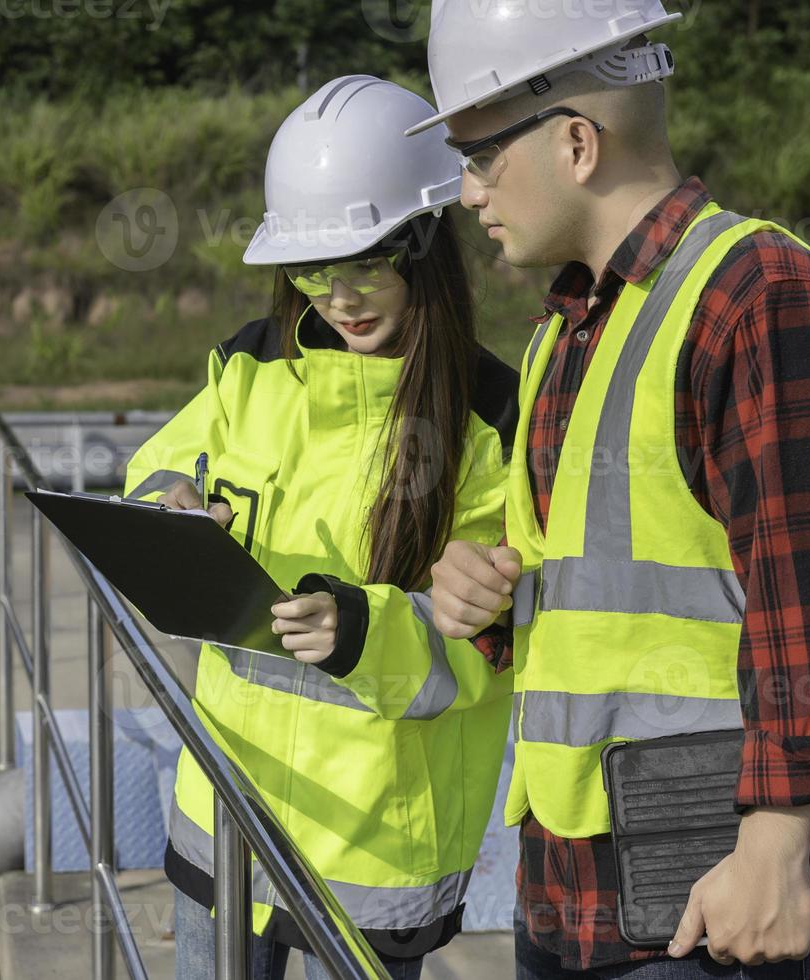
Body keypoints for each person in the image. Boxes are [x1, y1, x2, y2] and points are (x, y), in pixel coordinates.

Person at [409, 3, 810, 977]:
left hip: (708, 900)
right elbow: (601, 596)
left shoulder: (762, 296)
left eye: (479, 155)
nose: (466, 190)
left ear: (575, 142)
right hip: (572, 885)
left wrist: (776, 849)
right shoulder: (565, 333)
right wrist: (485, 597)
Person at [122, 75, 519, 980]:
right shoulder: (249, 368)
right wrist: (169, 512)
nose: (339, 297)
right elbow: (157, 466)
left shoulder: (494, 421)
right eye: (311, 268)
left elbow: (491, 647)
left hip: (376, 839)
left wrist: (360, 633)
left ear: (425, 243)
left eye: (367, 260)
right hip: (225, 801)